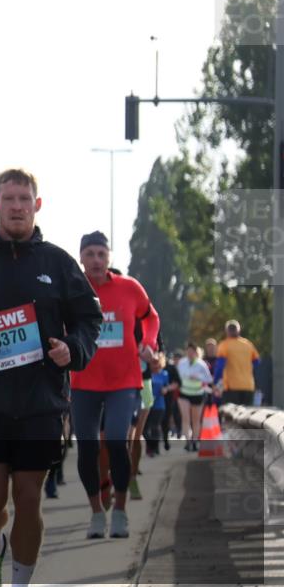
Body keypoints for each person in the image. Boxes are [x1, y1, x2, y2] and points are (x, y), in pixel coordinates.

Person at [0, 169, 101, 587]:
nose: (17, 206)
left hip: (40, 402)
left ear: (37, 205)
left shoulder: (58, 263)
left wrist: (72, 349)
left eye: (25, 198)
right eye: (9, 198)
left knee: (28, 499)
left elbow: (88, 320)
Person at [71, 231, 159, 540]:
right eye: (90, 254)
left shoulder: (128, 287)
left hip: (124, 381)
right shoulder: (72, 288)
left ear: (109, 257)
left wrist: (147, 343)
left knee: (118, 442)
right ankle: (97, 512)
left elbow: (150, 318)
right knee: (87, 448)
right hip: (83, 380)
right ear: (81, 257)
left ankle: (120, 510)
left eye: (101, 254)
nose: (96, 259)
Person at [176, 343, 213, 451]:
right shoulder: (182, 363)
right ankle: (188, 441)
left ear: (197, 352)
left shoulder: (202, 364)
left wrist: (198, 377)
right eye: (188, 351)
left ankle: (195, 440)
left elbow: (209, 379)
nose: (190, 353)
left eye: (192, 351)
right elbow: (177, 375)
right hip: (184, 393)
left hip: (197, 394)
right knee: (185, 418)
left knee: (196, 420)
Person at [214, 320, 260, 406]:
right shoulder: (248, 344)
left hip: (231, 387)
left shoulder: (224, 345)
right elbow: (257, 362)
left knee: (230, 417)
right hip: (248, 386)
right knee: (246, 416)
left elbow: (220, 366)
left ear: (227, 331)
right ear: (239, 330)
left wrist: (216, 382)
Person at [144, 353, 169, 456]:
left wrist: (165, 389)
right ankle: (150, 445)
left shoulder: (164, 374)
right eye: (153, 362)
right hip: (146, 403)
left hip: (159, 405)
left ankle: (155, 448)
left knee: (155, 426)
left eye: (157, 362)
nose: (155, 365)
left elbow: (167, 386)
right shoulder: (147, 373)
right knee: (145, 428)